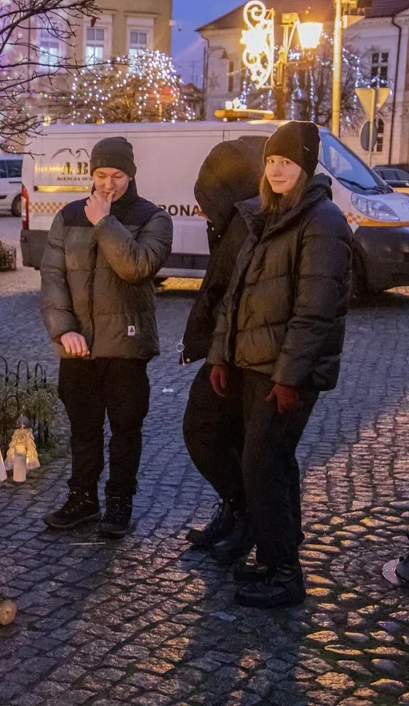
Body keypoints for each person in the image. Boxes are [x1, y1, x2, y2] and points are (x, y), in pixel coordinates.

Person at [207, 121, 352, 608]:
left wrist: (288, 378)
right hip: (254, 366)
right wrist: (221, 355)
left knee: (261, 464)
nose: (275, 171)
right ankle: (276, 558)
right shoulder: (268, 216)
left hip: (285, 375)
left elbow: (315, 311)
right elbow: (238, 293)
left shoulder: (323, 221)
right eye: (271, 162)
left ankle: (286, 574)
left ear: (306, 168)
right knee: (273, 463)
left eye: (286, 162)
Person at [40, 137, 174, 538]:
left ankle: (118, 504)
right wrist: (64, 330)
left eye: (116, 175)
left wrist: (105, 222)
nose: (108, 183)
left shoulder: (153, 218)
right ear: (90, 174)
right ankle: (82, 500)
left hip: (126, 348)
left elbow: (138, 266)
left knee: (125, 429)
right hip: (77, 349)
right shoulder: (66, 217)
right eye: (100, 175)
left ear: (131, 175)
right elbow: (52, 277)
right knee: (83, 431)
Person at [180, 138, 263, 561]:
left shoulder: (246, 227)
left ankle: (245, 514)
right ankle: (235, 509)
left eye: (206, 199)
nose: (200, 210)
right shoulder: (233, 225)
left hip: (241, 356)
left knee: (206, 429)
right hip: (227, 352)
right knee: (211, 431)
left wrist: (222, 354)